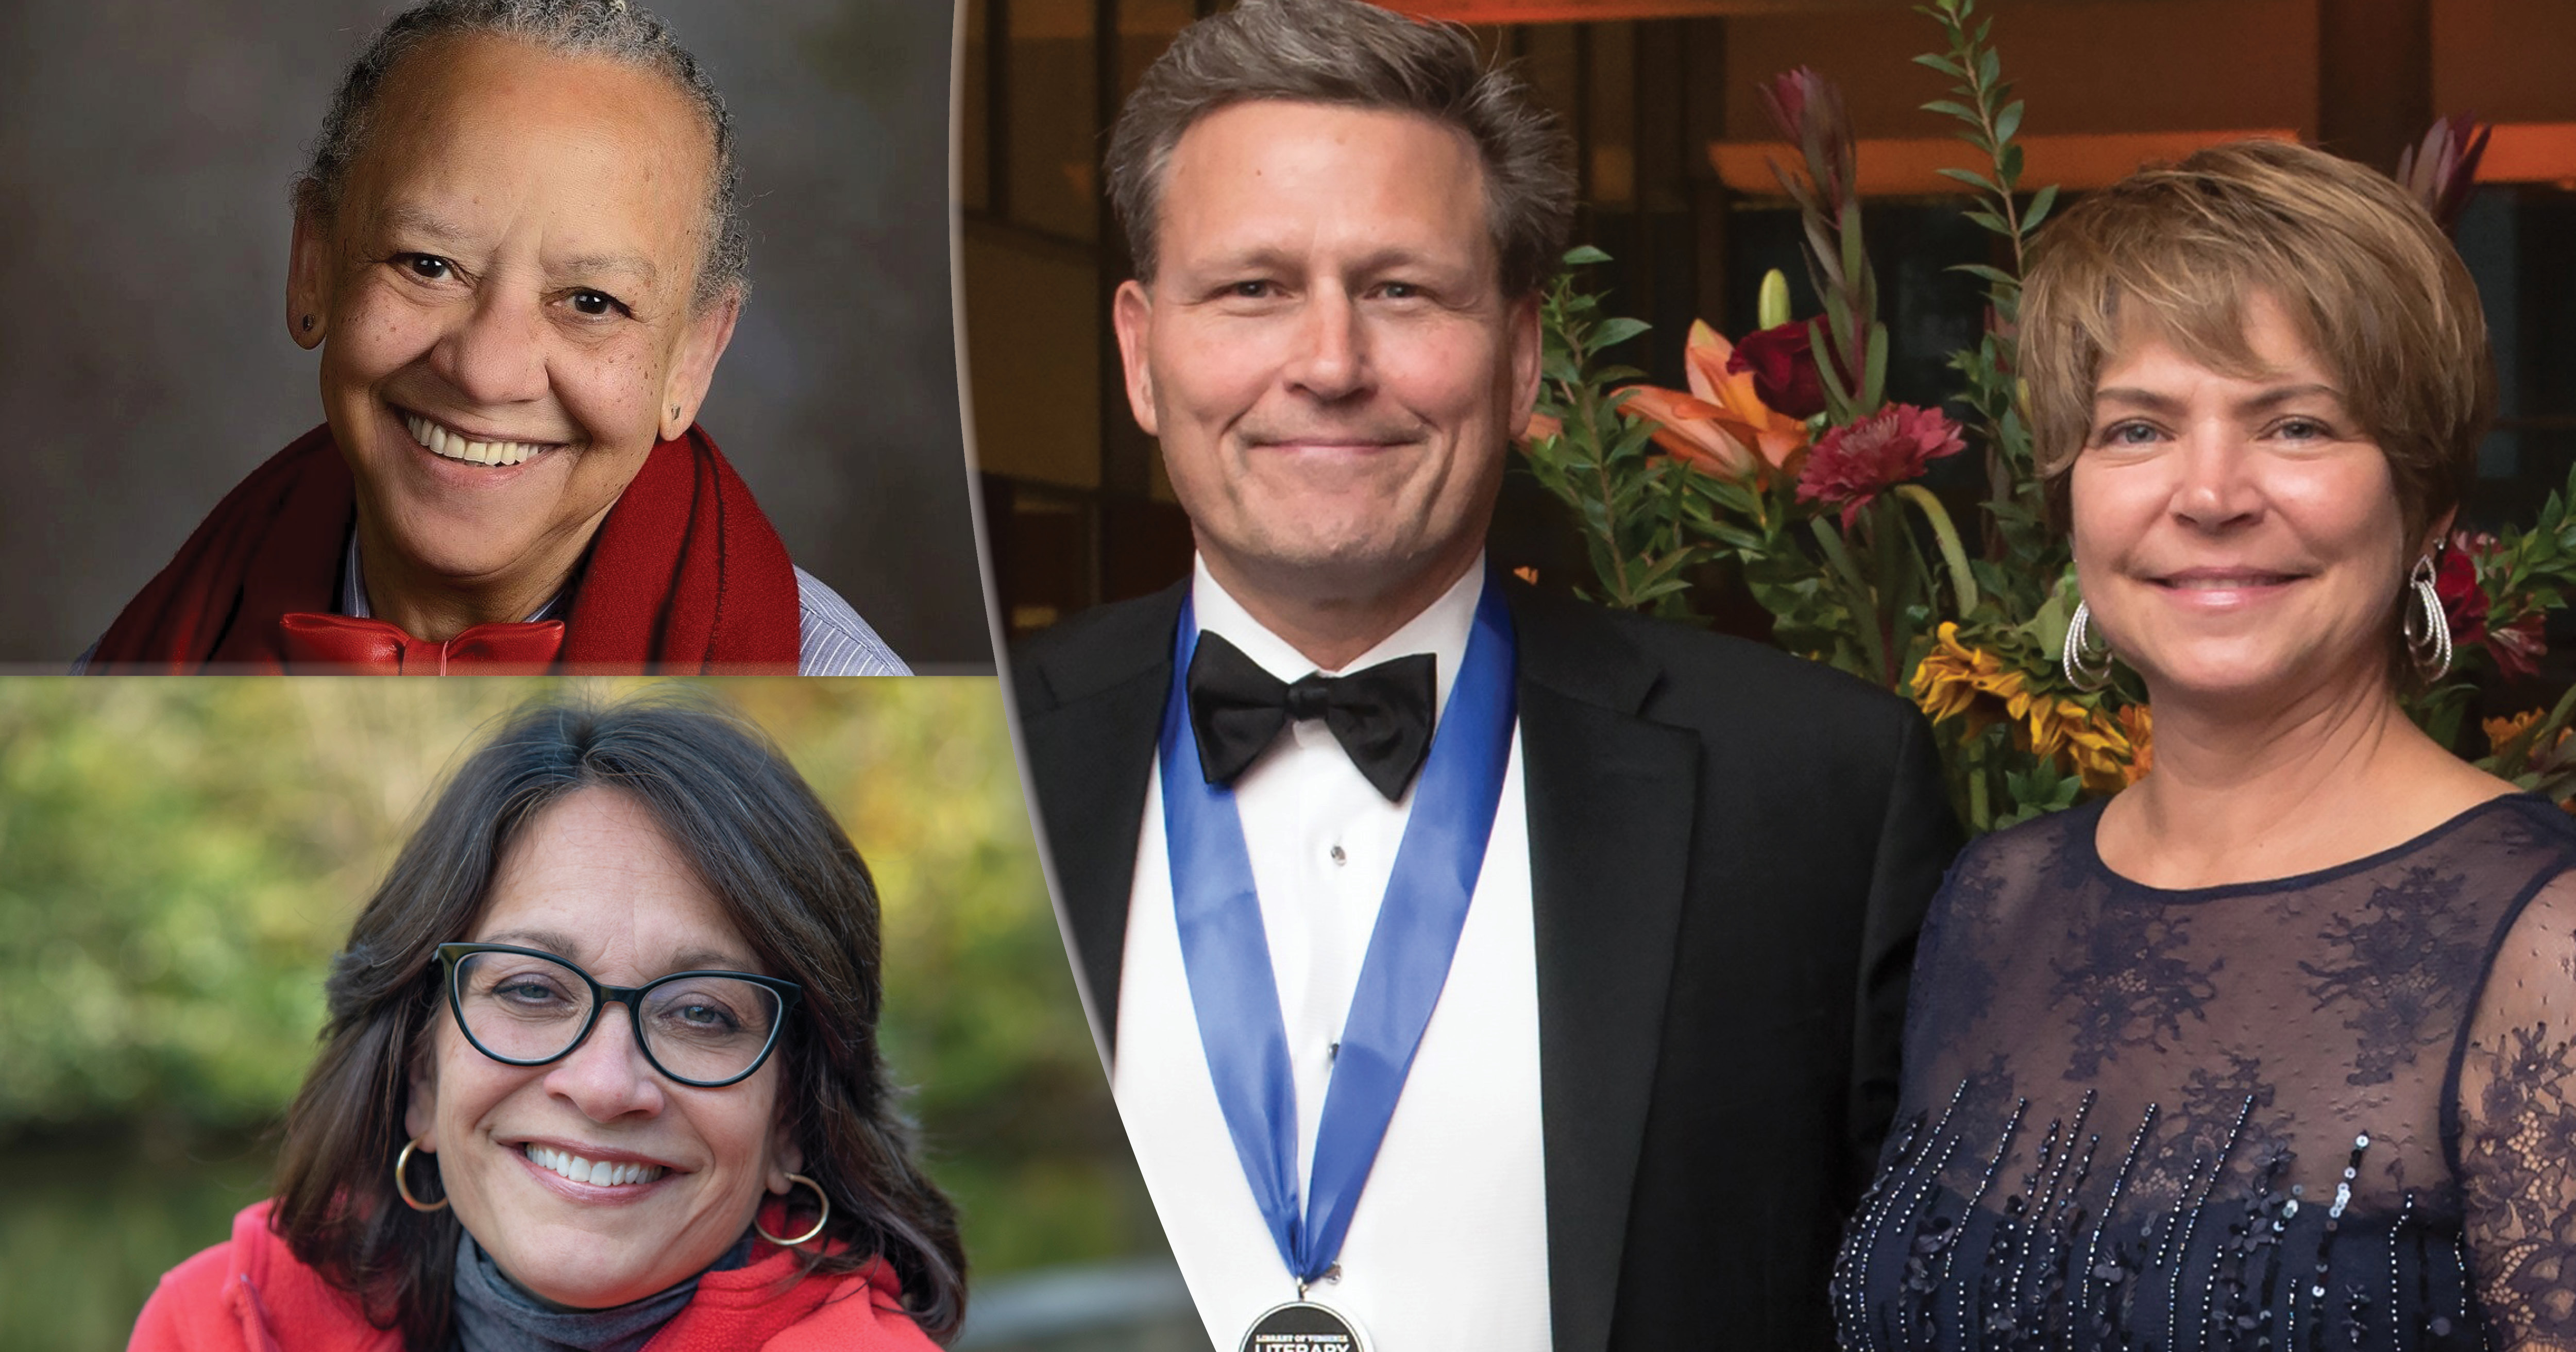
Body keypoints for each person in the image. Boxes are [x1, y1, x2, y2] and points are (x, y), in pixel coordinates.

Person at [1009, 1, 1957, 1346]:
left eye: (1402, 290)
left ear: (1519, 356)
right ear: (1141, 351)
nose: (1329, 365)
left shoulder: (1819, 792)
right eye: (1252, 289)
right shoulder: (966, 753)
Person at [1832, 139, 2576, 1349]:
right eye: (2137, 429)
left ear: (2426, 503)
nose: (2211, 492)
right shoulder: (1997, 897)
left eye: (2294, 425)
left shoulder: (2547, 945)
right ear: (2069, 494)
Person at [82, 0, 904, 675]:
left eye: (591, 300)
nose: (486, 369)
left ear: (691, 359)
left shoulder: (839, 680)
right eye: (429, 265)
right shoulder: (132, 663)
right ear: (314, 265)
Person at [128, 693, 964, 1350]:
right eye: (532, 991)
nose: (605, 1086)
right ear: (421, 1073)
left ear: (790, 1117)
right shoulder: (220, 1325)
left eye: (702, 1013)